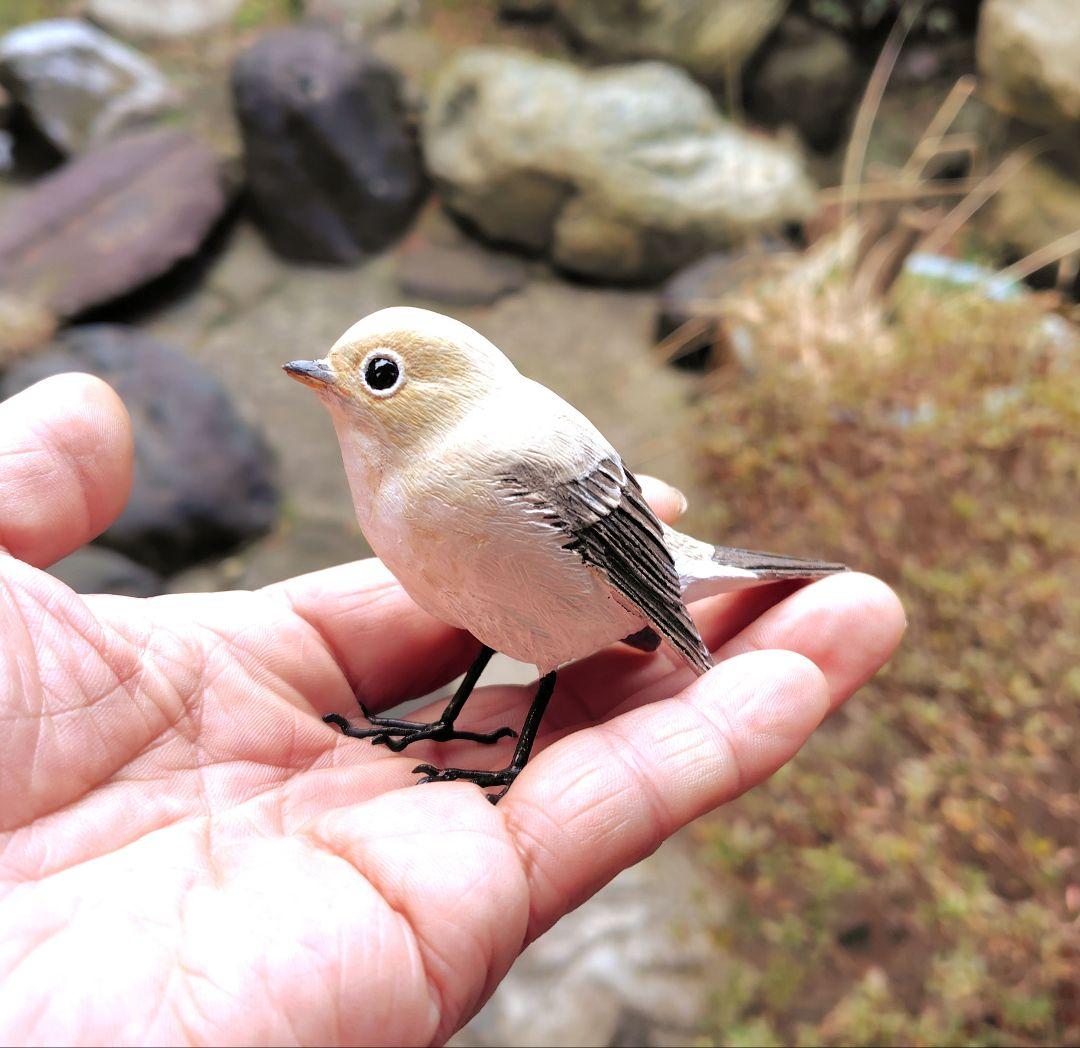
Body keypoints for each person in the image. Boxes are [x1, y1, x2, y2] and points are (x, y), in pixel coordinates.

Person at [0, 374, 905, 1045]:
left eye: (377, 375)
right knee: (488, 631)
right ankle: (447, 723)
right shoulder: (393, 480)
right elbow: (484, 616)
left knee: (542, 649)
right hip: (528, 598)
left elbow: (615, 546)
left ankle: (509, 757)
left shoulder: (510, 448)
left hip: (620, 576)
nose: (333, 382)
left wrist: (664, 615)